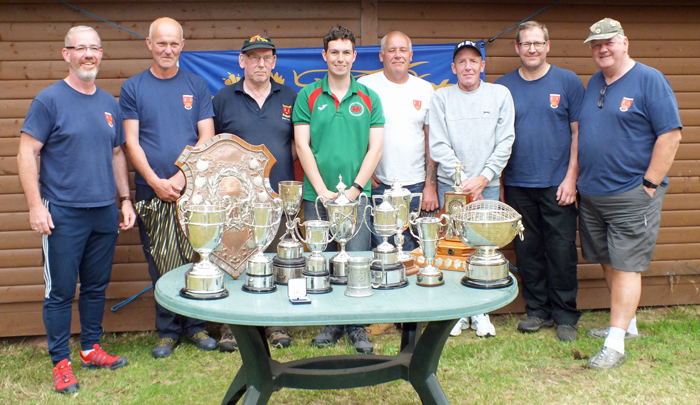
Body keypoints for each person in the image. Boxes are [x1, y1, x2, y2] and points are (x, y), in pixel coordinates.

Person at [17, 26, 136, 394]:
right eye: (80, 48)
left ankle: (89, 348)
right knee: (60, 291)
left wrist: (125, 199)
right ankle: (60, 363)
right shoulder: (49, 100)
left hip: (103, 211)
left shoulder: (108, 103)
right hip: (63, 213)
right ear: (65, 53)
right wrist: (36, 206)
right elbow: (26, 152)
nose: (88, 55)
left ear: (101, 54)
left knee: (96, 286)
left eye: (94, 48)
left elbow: (117, 153)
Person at [578, 18, 682, 369]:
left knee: (625, 265)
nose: (602, 49)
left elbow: (671, 135)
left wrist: (650, 184)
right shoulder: (595, 82)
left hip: (631, 194)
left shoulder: (649, 80)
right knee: (608, 258)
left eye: (608, 42)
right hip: (593, 194)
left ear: (624, 42)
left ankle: (615, 343)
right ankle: (628, 323)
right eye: (595, 45)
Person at [120, 17, 218, 358]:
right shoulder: (133, 87)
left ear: (182, 46)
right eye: (161, 43)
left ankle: (196, 326)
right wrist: (154, 181)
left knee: (195, 257)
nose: (167, 49)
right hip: (151, 191)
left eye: (174, 43)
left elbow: (206, 135)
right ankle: (168, 330)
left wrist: (181, 175)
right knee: (160, 260)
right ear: (149, 44)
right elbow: (131, 142)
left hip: (192, 190)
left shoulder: (196, 84)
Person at [293, 26, 384, 354]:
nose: (340, 58)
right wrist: (321, 190)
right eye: (334, 52)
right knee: (324, 259)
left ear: (354, 56)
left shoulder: (369, 97)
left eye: (346, 52)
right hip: (316, 197)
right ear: (325, 56)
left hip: (357, 198)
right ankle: (330, 322)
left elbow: (375, 149)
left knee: (357, 259)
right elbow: (302, 145)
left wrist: (357, 189)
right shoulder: (308, 96)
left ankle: (357, 325)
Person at [495, 21, 584, 342]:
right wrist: (502, 185)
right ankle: (537, 311)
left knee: (561, 251)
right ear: (516, 48)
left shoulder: (568, 82)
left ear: (548, 45)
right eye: (525, 44)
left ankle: (564, 315)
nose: (532, 49)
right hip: (518, 184)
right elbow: (498, 140)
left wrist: (571, 177)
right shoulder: (503, 88)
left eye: (537, 43)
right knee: (527, 249)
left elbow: (578, 134)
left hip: (558, 184)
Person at [212, 34, 298, 349]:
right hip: (234, 201)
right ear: (242, 61)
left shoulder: (291, 97)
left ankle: (276, 324)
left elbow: (297, 145)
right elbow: (214, 149)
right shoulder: (223, 98)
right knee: (234, 261)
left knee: (277, 259)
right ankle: (232, 328)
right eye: (254, 57)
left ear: (274, 62)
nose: (260, 64)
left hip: (277, 197)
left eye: (266, 58)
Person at [429, 39, 515, 337]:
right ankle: (456, 312)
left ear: (483, 66)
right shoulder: (441, 98)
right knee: (453, 248)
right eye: (462, 62)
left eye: (473, 61)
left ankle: (480, 311)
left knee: (481, 248)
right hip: (450, 190)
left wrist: (483, 179)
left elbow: (506, 141)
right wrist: (463, 182)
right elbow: (438, 144)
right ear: (453, 68)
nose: (468, 66)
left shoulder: (500, 94)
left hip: (486, 188)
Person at [357, 31, 438, 337]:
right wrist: (366, 168)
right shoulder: (366, 87)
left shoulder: (425, 88)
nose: (397, 55)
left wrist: (431, 184)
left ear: (411, 55)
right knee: (382, 249)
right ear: (381, 56)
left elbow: (431, 139)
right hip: (378, 183)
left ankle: (412, 313)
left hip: (416, 183)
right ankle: (384, 311)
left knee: (413, 250)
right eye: (391, 50)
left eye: (403, 50)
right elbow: (357, 133)